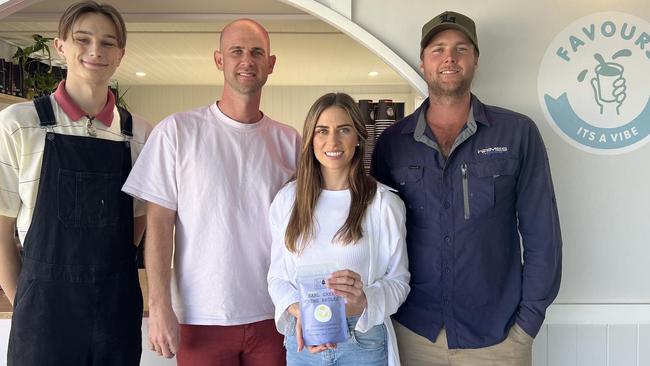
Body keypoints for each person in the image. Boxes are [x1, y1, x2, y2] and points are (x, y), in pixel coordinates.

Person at [371, 11, 562, 366]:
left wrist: (527, 324)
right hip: (413, 333)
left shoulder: (517, 134)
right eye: (438, 49)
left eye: (461, 49)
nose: (449, 58)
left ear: (475, 60)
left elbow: (542, 235)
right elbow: (375, 238)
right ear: (423, 62)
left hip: (499, 337)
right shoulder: (392, 143)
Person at [121, 18, 301, 366]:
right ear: (219, 60)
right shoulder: (177, 132)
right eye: (236, 51)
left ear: (271, 64)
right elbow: (158, 226)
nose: (246, 61)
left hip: (276, 313)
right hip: (201, 317)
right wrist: (159, 306)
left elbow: (305, 228)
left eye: (256, 52)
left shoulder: (288, 140)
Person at [0, 2, 151, 365]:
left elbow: (139, 219)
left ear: (120, 54)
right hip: (44, 310)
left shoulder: (140, 134)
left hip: (115, 308)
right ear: (61, 45)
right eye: (82, 39)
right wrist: (26, 298)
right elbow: (1, 228)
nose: (95, 51)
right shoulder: (18, 123)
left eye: (108, 42)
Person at [268, 92, 410, 366]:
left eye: (343, 130)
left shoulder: (384, 204)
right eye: (322, 131)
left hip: (363, 340)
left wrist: (364, 300)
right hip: (304, 342)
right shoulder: (287, 201)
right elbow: (277, 278)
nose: (332, 141)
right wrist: (300, 311)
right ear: (311, 138)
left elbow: (399, 282)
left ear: (358, 136)